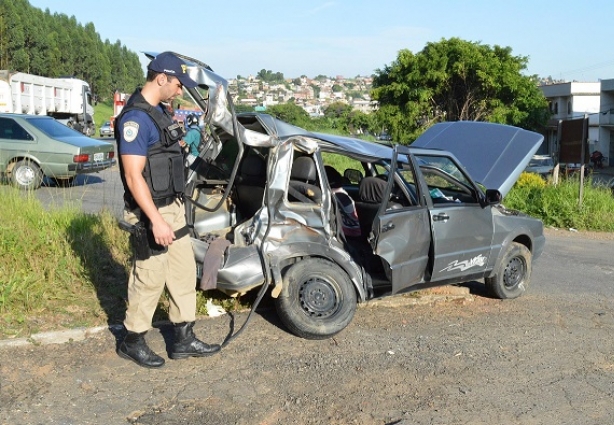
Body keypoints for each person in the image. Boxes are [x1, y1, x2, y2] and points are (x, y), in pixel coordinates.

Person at [115, 51, 220, 368]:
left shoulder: (160, 114)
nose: (179, 90)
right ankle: (132, 340)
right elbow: (134, 177)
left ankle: (184, 339)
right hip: (151, 213)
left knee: (183, 273)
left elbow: (166, 155)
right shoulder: (135, 119)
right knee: (149, 277)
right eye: (177, 84)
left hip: (171, 207)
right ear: (161, 78)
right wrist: (156, 221)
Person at [325, 166, 361, 238]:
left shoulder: (325, 194)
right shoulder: (342, 197)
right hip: (349, 234)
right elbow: (354, 218)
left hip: (336, 231)